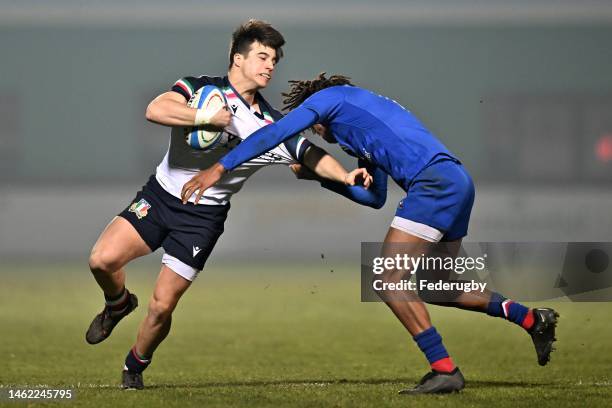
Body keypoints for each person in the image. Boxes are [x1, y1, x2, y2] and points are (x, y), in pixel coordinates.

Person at [181, 73, 559, 394]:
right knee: (434, 285)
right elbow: (374, 197)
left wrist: (219, 168)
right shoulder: (357, 130)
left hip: (433, 184)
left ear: (315, 106)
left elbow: (275, 133)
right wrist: (321, 178)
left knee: (386, 277)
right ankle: (532, 319)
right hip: (454, 181)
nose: (315, 130)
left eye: (313, 123)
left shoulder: (329, 99)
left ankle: (445, 370)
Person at [85, 25, 368, 390]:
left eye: (274, 60)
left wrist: (345, 177)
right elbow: (156, 109)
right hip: (160, 197)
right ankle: (118, 303)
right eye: (262, 57)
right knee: (101, 260)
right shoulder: (201, 89)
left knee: (161, 307)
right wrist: (206, 117)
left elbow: (307, 155)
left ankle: (134, 366)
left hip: (202, 220)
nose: (270, 66)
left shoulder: (270, 124)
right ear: (238, 58)